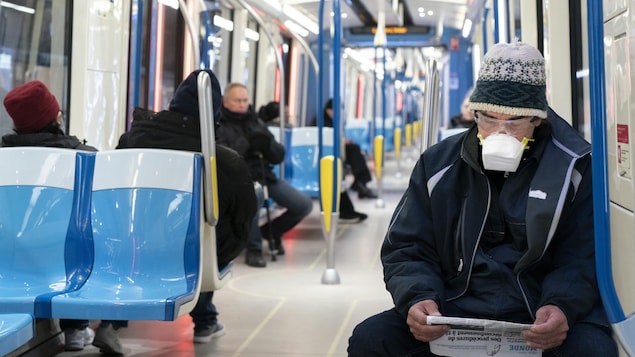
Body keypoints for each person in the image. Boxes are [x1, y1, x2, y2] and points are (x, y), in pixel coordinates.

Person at [347, 42, 617, 356]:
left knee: (594, 349)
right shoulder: (438, 166)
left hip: (535, 310)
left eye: (514, 122)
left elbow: (581, 256)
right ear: (474, 114)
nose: (499, 132)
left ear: (538, 119)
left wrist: (560, 306)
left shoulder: (575, 167)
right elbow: (408, 245)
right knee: (371, 339)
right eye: (488, 118)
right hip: (456, 307)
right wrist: (419, 298)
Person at [117, 69, 258, 344]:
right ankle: (205, 320)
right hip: (192, 254)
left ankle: (111, 323)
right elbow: (245, 214)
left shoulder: (130, 143)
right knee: (208, 231)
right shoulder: (223, 162)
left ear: (172, 104)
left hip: (131, 244)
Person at [0, 80, 128, 353]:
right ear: (54, 117)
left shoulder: (4, 159)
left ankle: (74, 327)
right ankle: (78, 326)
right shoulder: (84, 157)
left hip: (13, 255)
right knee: (89, 236)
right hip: (70, 261)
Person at [216, 83, 313, 268]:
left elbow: (279, 156)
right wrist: (247, 143)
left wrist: (267, 144)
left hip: (264, 174)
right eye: (237, 100)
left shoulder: (256, 121)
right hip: (239, 180)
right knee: (253, 199)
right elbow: (225, 158)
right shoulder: (219, 125)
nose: (242, 104)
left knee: (303, 205)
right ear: (226, 102)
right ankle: (254, 249)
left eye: (245, 100)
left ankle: (271, 232)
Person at [259, 100, 367, 222]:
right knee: (335, 173)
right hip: (275, 173)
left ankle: (358, 186)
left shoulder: (264, 128)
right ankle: (359, 186)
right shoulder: (279, 130)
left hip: (276, 171)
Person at [318, 99, 377, 199]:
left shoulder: (330, 120)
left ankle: (359, 182)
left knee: (355, 149)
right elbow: (327, 138)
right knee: (354, 151)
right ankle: (360, 183)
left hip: (336, 148)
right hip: (330, 151)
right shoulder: (321, 121)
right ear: (329, 110)